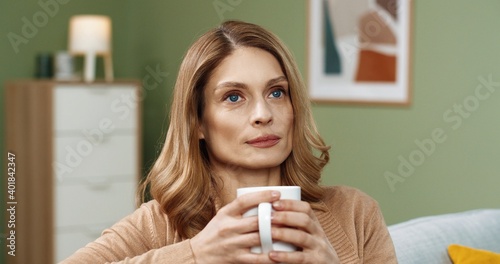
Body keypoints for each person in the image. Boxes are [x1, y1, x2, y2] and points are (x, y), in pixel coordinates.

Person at [62, 20, 397, 264]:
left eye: (276, 92)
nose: (263, 114)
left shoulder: (355, 213)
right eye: (234, 97)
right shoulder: (160, 223)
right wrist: (196, 254)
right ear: (198, 123)